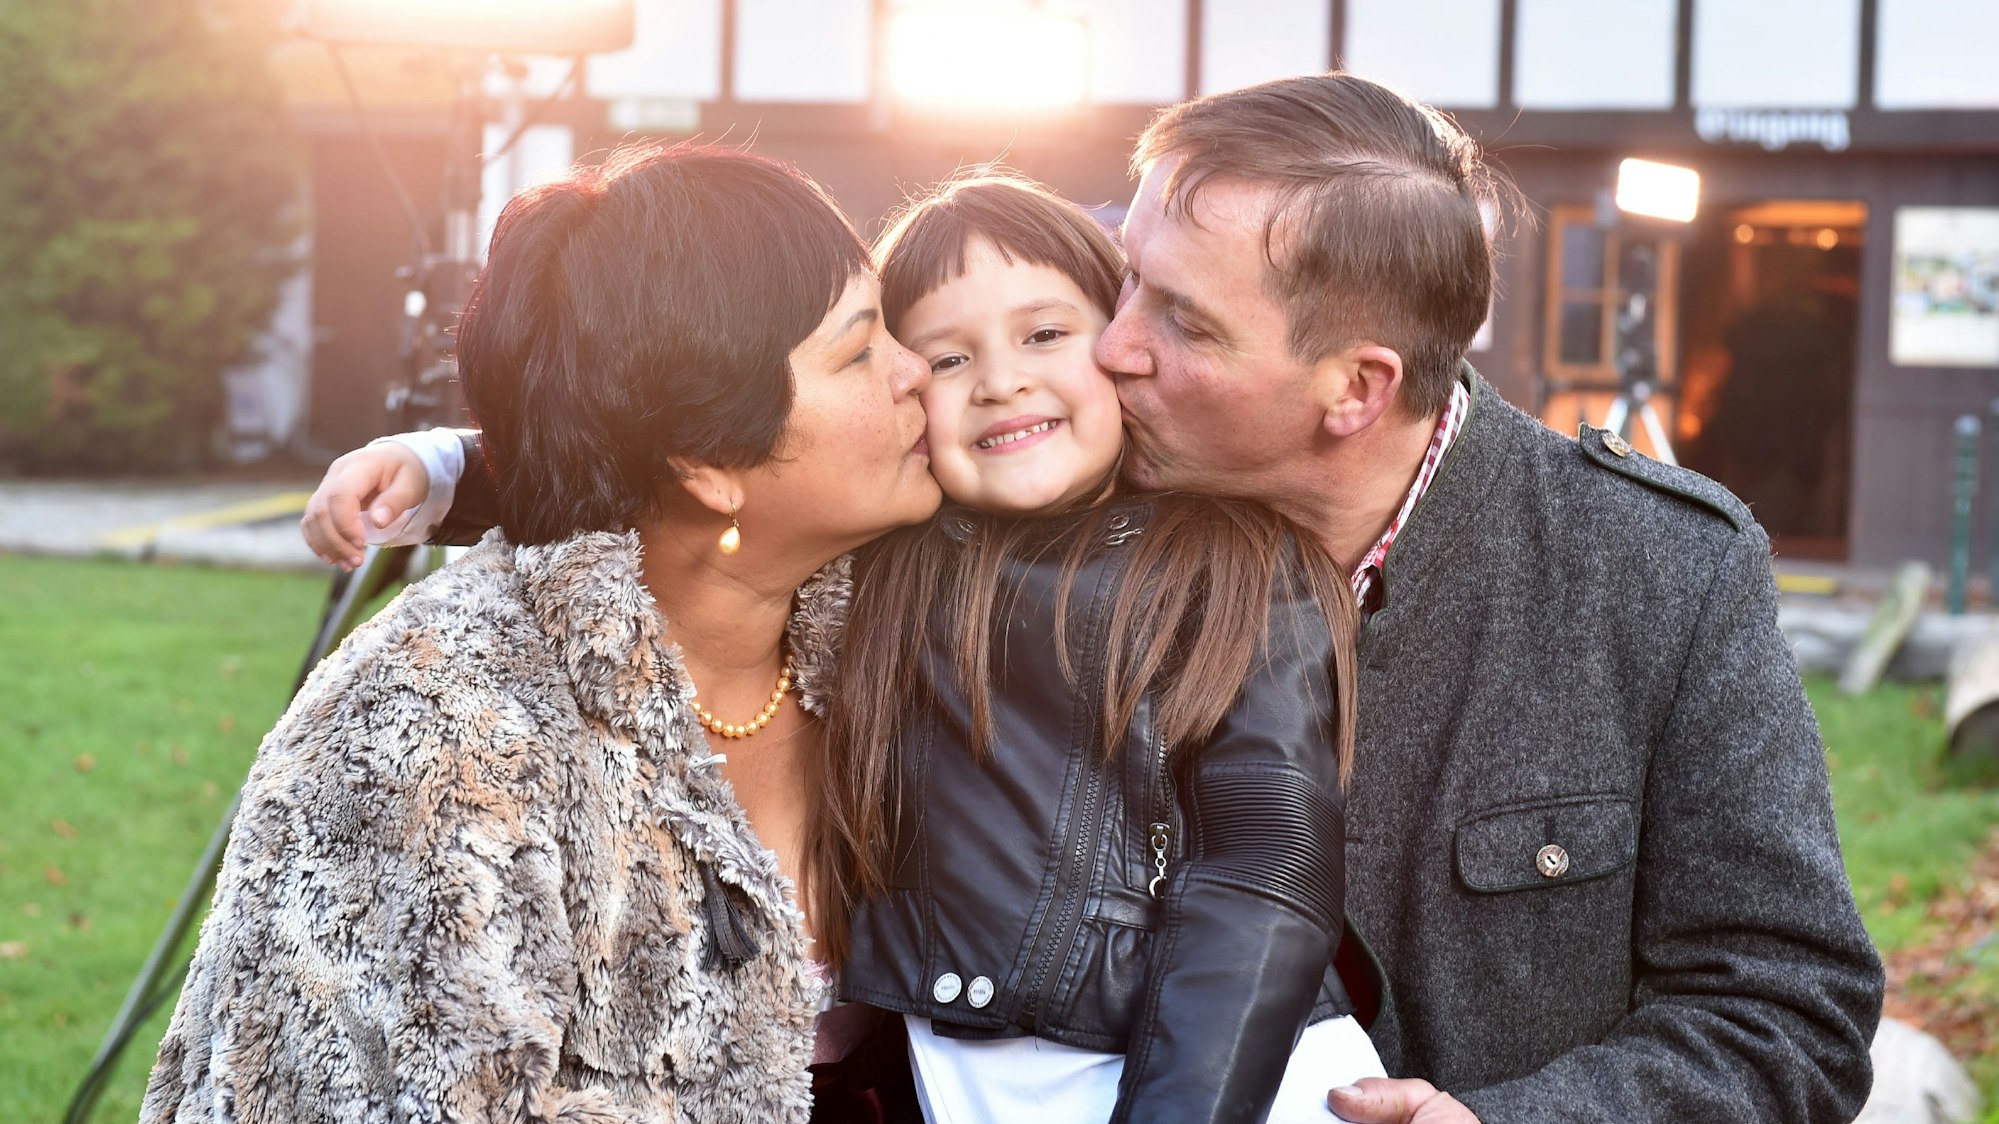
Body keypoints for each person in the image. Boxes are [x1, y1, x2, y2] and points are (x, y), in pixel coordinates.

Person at [302, 73, 1886, 1124]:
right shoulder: (1021, 483)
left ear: (1351, 388)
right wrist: (458, 464)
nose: (1110, 344)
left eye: (1176, 322)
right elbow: (737, 448)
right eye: (1121, 278)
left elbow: (1786, 1007)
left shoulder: (1649, 575)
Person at [143, 145, 941, 1123]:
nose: (916, 369)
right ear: (705, 461)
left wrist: (446, 464)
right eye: (858, 351)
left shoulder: (905, 620)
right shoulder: (431, 731)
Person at [822, 174, 1385, 1123]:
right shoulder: (885, 567)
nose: (1001, 381)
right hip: (969, 1079)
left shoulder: (1230, 563)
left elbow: (1266, 863)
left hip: (1227, 1080)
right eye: (948, 358)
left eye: (1044, 334)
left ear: (1124, 346)